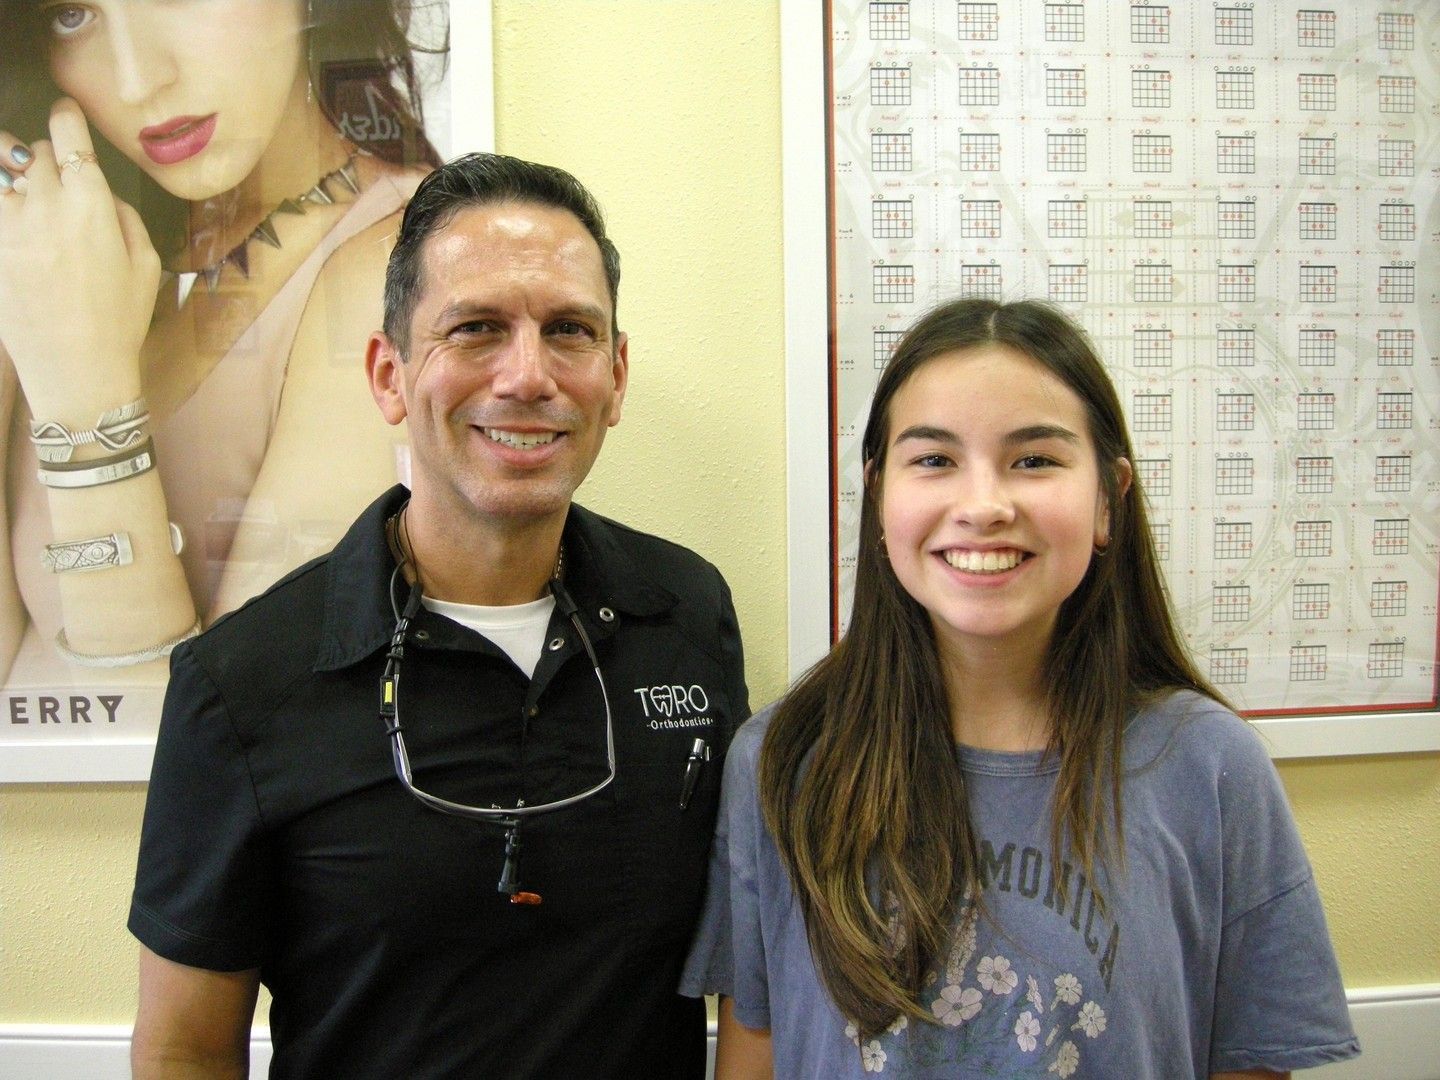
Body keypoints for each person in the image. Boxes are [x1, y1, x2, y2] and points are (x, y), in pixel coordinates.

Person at [127, 151, 750, 1078]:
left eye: (569, 330)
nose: (528, 375)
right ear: (390, 374)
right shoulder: (243, 682)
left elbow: (746, 959)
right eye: (476, 329)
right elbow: (184, 1049)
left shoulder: (688, 616)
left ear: (616, 376)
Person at [683, 298, 1358, 1078]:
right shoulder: (780, 761)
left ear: (1107, 499)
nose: (983, 507)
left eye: (1035, 460)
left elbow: (1248, 1064)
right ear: (879, 494)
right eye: (934, 460)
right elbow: (756, 1046)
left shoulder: (1211, 767)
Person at [0, 0, 442, 686]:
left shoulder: (401, 272)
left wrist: (87, 402)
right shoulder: (58, 257)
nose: (138, 80)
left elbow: (235, 728)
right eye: (71, 14)